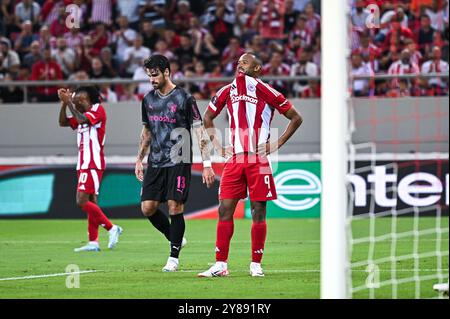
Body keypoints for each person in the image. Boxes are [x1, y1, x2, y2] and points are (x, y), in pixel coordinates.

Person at [198, 52, 303, 277]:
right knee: (225, 209)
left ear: (257, 69)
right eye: (238, 62)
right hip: (234, 159)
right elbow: (206, 117)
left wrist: (277, 143)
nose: (240, 65)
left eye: (245, 62)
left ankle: (256, 264)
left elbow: (296, 117)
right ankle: (220, 264)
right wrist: (217, 145)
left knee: (258, 211)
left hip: (258, 159)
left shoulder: (267, 91)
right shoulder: (226, 91)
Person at [135, 54, 214, 272]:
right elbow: (147, 131)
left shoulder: (185, 98)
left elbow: (199, 131)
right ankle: (175, 237)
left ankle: (173, 257)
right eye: (149, 76)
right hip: (156, 161)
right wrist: (139, 159)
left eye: (155, 75)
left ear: (167, 72)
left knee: (174, 206)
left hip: (179, 160)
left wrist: (207, 163)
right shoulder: (148, 100)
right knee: (147, 208)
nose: (151, 79)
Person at [57, 86, 123, 252]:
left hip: (92, 162)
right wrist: (64, 104)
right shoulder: (81, 113)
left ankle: (112, 228)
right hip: (83, 163)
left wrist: (69, 103)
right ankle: (93, 241)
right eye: (76, 99)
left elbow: (80, 120)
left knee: (81, 200)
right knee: (92, 201)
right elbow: (63, 122)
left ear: (90, 100)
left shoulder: (97, 110)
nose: (77, 101)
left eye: (81, 99)